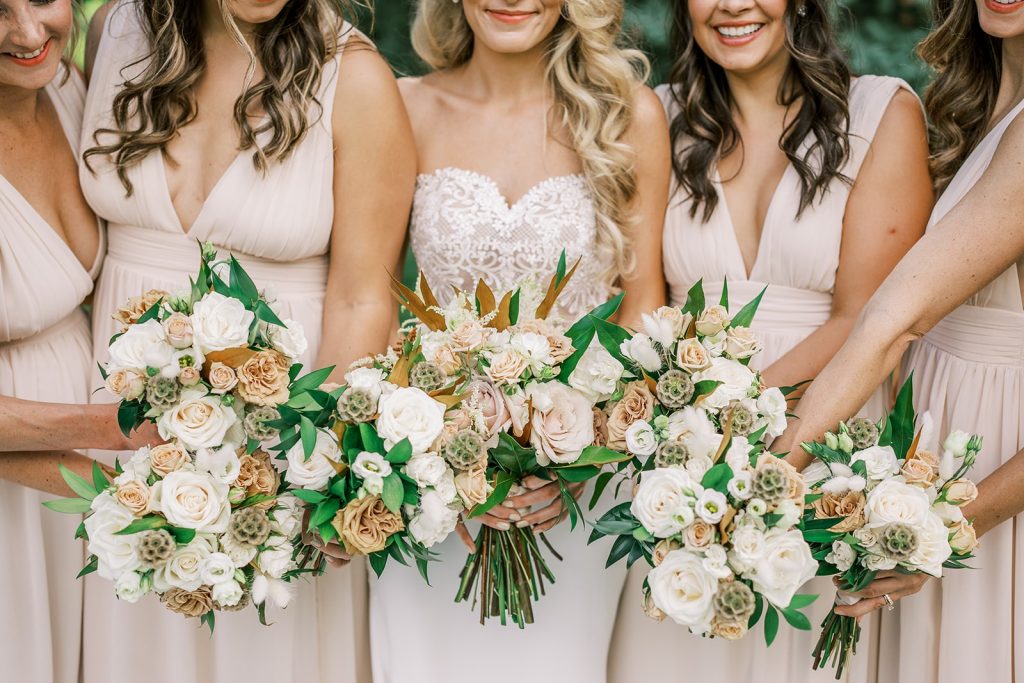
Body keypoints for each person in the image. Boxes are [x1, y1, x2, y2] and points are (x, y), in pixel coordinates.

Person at [79, 0, 415, 680]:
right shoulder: (112, 33)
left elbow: (362, 294)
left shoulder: (354, 78)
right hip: (122, 442)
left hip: (277, 444)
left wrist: (323, 474)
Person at [609, 1, 932, 681]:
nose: (731, 5)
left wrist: (737, 430)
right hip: (679, 461)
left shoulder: (880, 114)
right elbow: (636, 307)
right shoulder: (653, 117)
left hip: (820, 442)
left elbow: (867, 317)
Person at [372, 0, 671, 681]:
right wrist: (441, 450)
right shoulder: (405, 106)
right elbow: (378, 298)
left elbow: (641, 301)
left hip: (578, 486)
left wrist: (579, 449)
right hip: (432, 485)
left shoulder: (629, 116)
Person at [774, 0, 1024, 680]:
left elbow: (894, 318)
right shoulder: (987, 116)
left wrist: (762, 472)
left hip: (991, 480)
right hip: (928, 467)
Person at [0, 0, 106, 678]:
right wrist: (112, 440)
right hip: (19, 490)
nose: (30, 33)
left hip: (83, 490)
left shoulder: (72, 90)